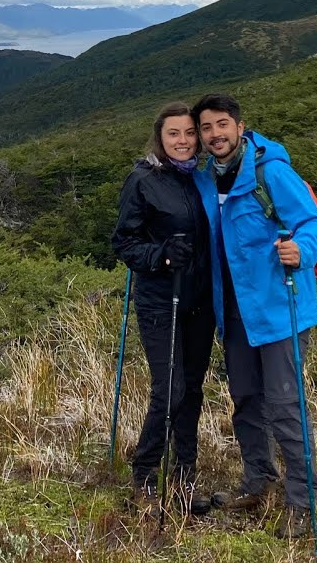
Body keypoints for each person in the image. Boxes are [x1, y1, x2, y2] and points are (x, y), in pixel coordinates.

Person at [190, 92, 317, 539]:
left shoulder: (270, 172)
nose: (214, 135)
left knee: (284, 404)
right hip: (233, 312)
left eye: (221, 125)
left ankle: (301, 499)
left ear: (239, 125)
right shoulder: (205, 179)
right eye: (206, 128)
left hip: (279, 309)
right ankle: (258, 481)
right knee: (247, 401)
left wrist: (302, 249)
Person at [111, 101, 216, 516]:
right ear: (161, 136)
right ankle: (144, 475)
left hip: (200, 301)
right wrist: (162, 256)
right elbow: (124, 242)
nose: (184, 141)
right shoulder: (142, 180)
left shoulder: (204, 180)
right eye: (175, 134)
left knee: (191, 388)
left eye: (190, 133)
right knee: (169, 388)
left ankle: (184, 478)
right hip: (160, 299)